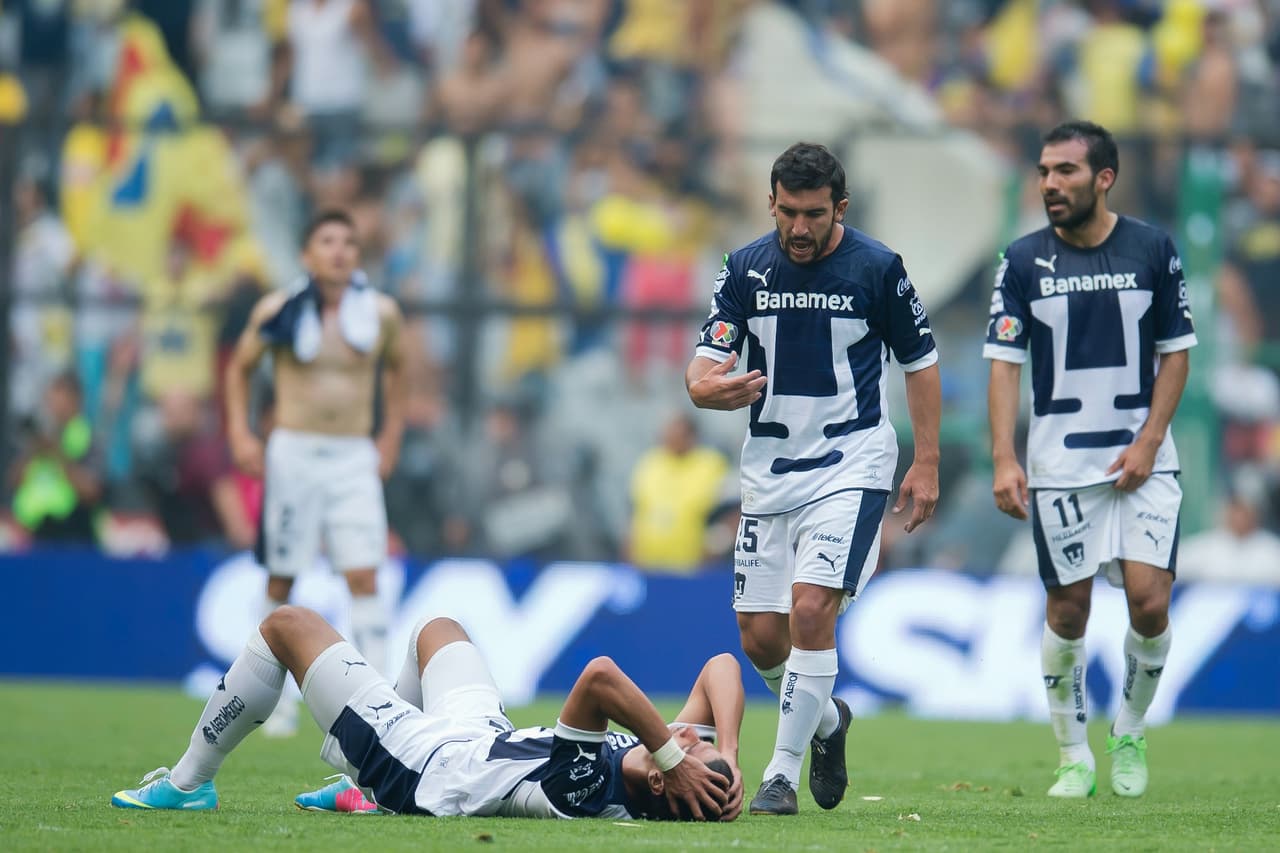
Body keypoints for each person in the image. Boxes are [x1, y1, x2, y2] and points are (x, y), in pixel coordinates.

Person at [685, 142, 942, 815]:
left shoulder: (878, 268)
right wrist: (702, 388)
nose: (799, 228)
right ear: (771, 203)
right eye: (788, 212)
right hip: (769, 475)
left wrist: (926, 461)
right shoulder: (744, 268)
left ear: (840, 208)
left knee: (809, 610)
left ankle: (780, 774)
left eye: (815, 215)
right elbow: (705, 360)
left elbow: (920, 360)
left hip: (851, 465)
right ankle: (827, 721)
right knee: (760, 636)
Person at [985, 121, 1197, 799]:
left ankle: (1128, 732)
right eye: (1045, 171)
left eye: (1066, 171)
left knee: (1150, 602)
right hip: (1062, 465)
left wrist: (1150, 440)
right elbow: (1004, 363)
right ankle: (1073, 755)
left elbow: (1176, 353)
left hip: (1143, 459)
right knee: (1069, 610)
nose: (1051, 183)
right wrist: (1004, 458)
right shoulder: (1022, 261)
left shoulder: (1152, 248)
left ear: (1104, 178)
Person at [110, 604, 741, 821]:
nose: (685, 732)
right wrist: (729, 757)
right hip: (480, 736)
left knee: (286, 626)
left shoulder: (586, 787)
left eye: (692, 745)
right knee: (437, 629)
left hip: (422, 762)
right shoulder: (662, 768)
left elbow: (600, 676)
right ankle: (360, 793)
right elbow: (720, 667)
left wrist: (671, 753)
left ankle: (188, 784)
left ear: (663, 780)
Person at [224, 209, 406, 735]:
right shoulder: (278, 309)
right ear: (307, 254)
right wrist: (240, 433)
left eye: (348, 242)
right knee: (282, 574)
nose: (339, 250)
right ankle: (267, 700)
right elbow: (239, 368)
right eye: (327, 240)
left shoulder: (381, 313)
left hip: (353, 455)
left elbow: (398, 371)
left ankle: (378, 704)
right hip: (294, 453)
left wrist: (389, 437)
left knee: (364, 574)